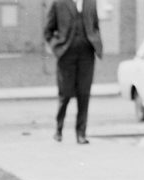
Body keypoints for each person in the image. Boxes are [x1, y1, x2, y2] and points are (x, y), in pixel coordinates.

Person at [43, 0, 103, 144]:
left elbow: (95, 26)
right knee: (65, 93)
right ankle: (58, 130)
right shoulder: (58, 3)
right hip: (66, 55)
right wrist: (56, 47)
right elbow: (48, 31)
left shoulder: (91, 2)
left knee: (84, 93)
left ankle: (81, 134)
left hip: (86, 54)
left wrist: (96, 40)